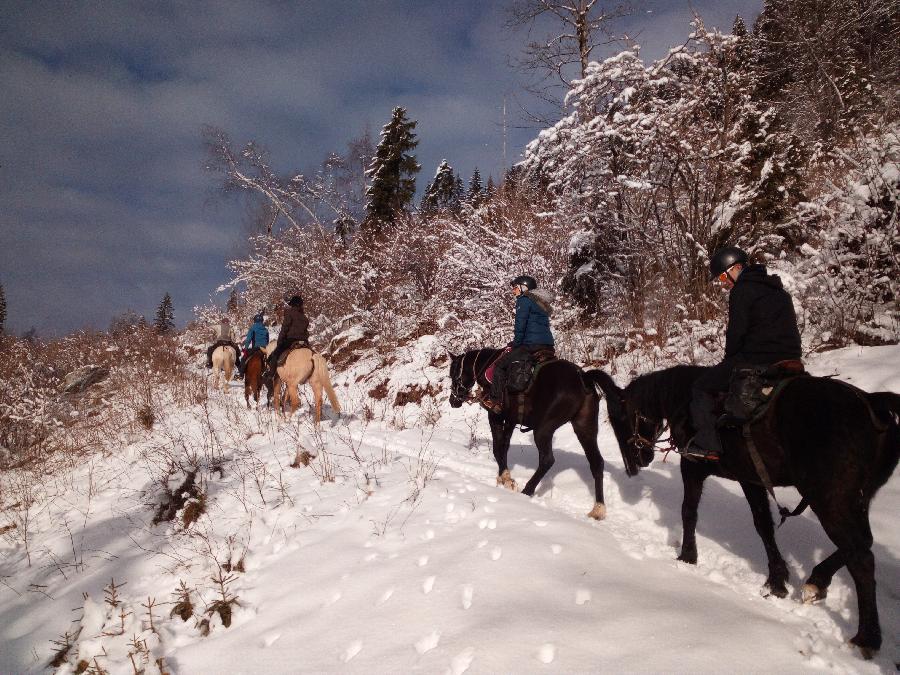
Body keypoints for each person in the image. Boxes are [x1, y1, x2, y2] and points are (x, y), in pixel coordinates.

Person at [684, 246, 802, 460]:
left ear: (736, 267)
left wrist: (729, 360)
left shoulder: (742, 290)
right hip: (792, 358)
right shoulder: (778, 290)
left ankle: (708, 446)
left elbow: (737, 332)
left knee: (700, 386)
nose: (723, 282)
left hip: (759, 359)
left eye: (722, 275)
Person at [482, 275, 555, 413]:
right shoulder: (540, 302)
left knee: (499, 365)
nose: (513, 291)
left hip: (531, 345)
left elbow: (520, 326)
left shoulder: (524, 300)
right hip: (548, 345)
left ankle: (495, 401)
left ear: (524, 287)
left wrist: (516, 343)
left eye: (515, 287)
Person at [264, 295, 309, 380]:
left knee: (274, 355)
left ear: (292, 304)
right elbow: (306, 332)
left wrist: (280, 342)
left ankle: (271, 374)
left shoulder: (289, 313)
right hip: (304, 341)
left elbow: (285, 328)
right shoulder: (304, 317)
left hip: (291, 340)